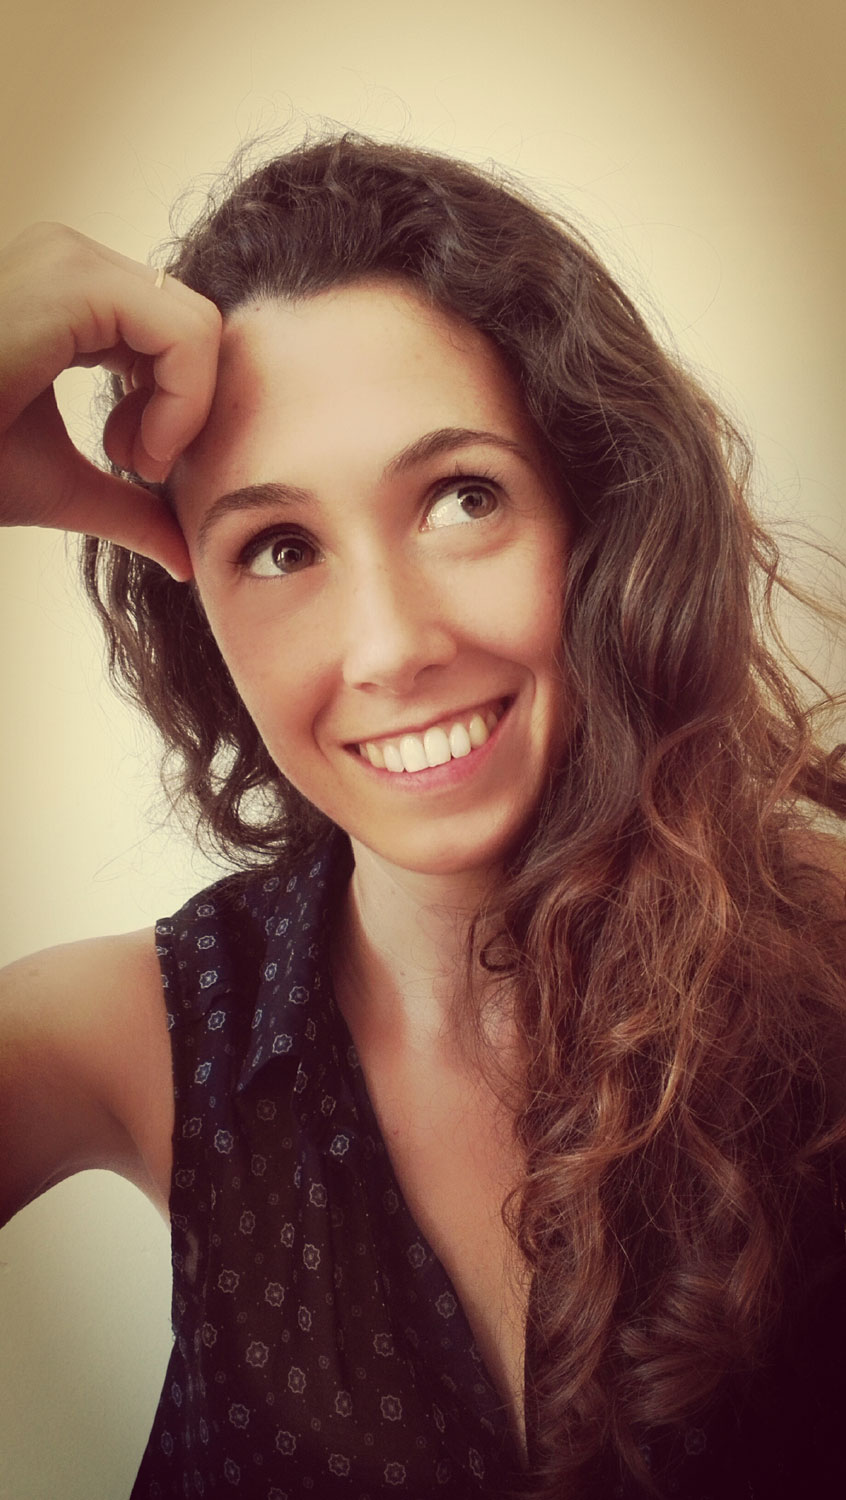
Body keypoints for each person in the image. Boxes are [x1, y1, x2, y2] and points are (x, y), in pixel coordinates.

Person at [1, 132, 844, 1500]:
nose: (390, 646)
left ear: (596, 517)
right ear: (200, 607)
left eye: (461, 499)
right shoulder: (129, 1036)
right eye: (281, 547)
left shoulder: (829, 961)